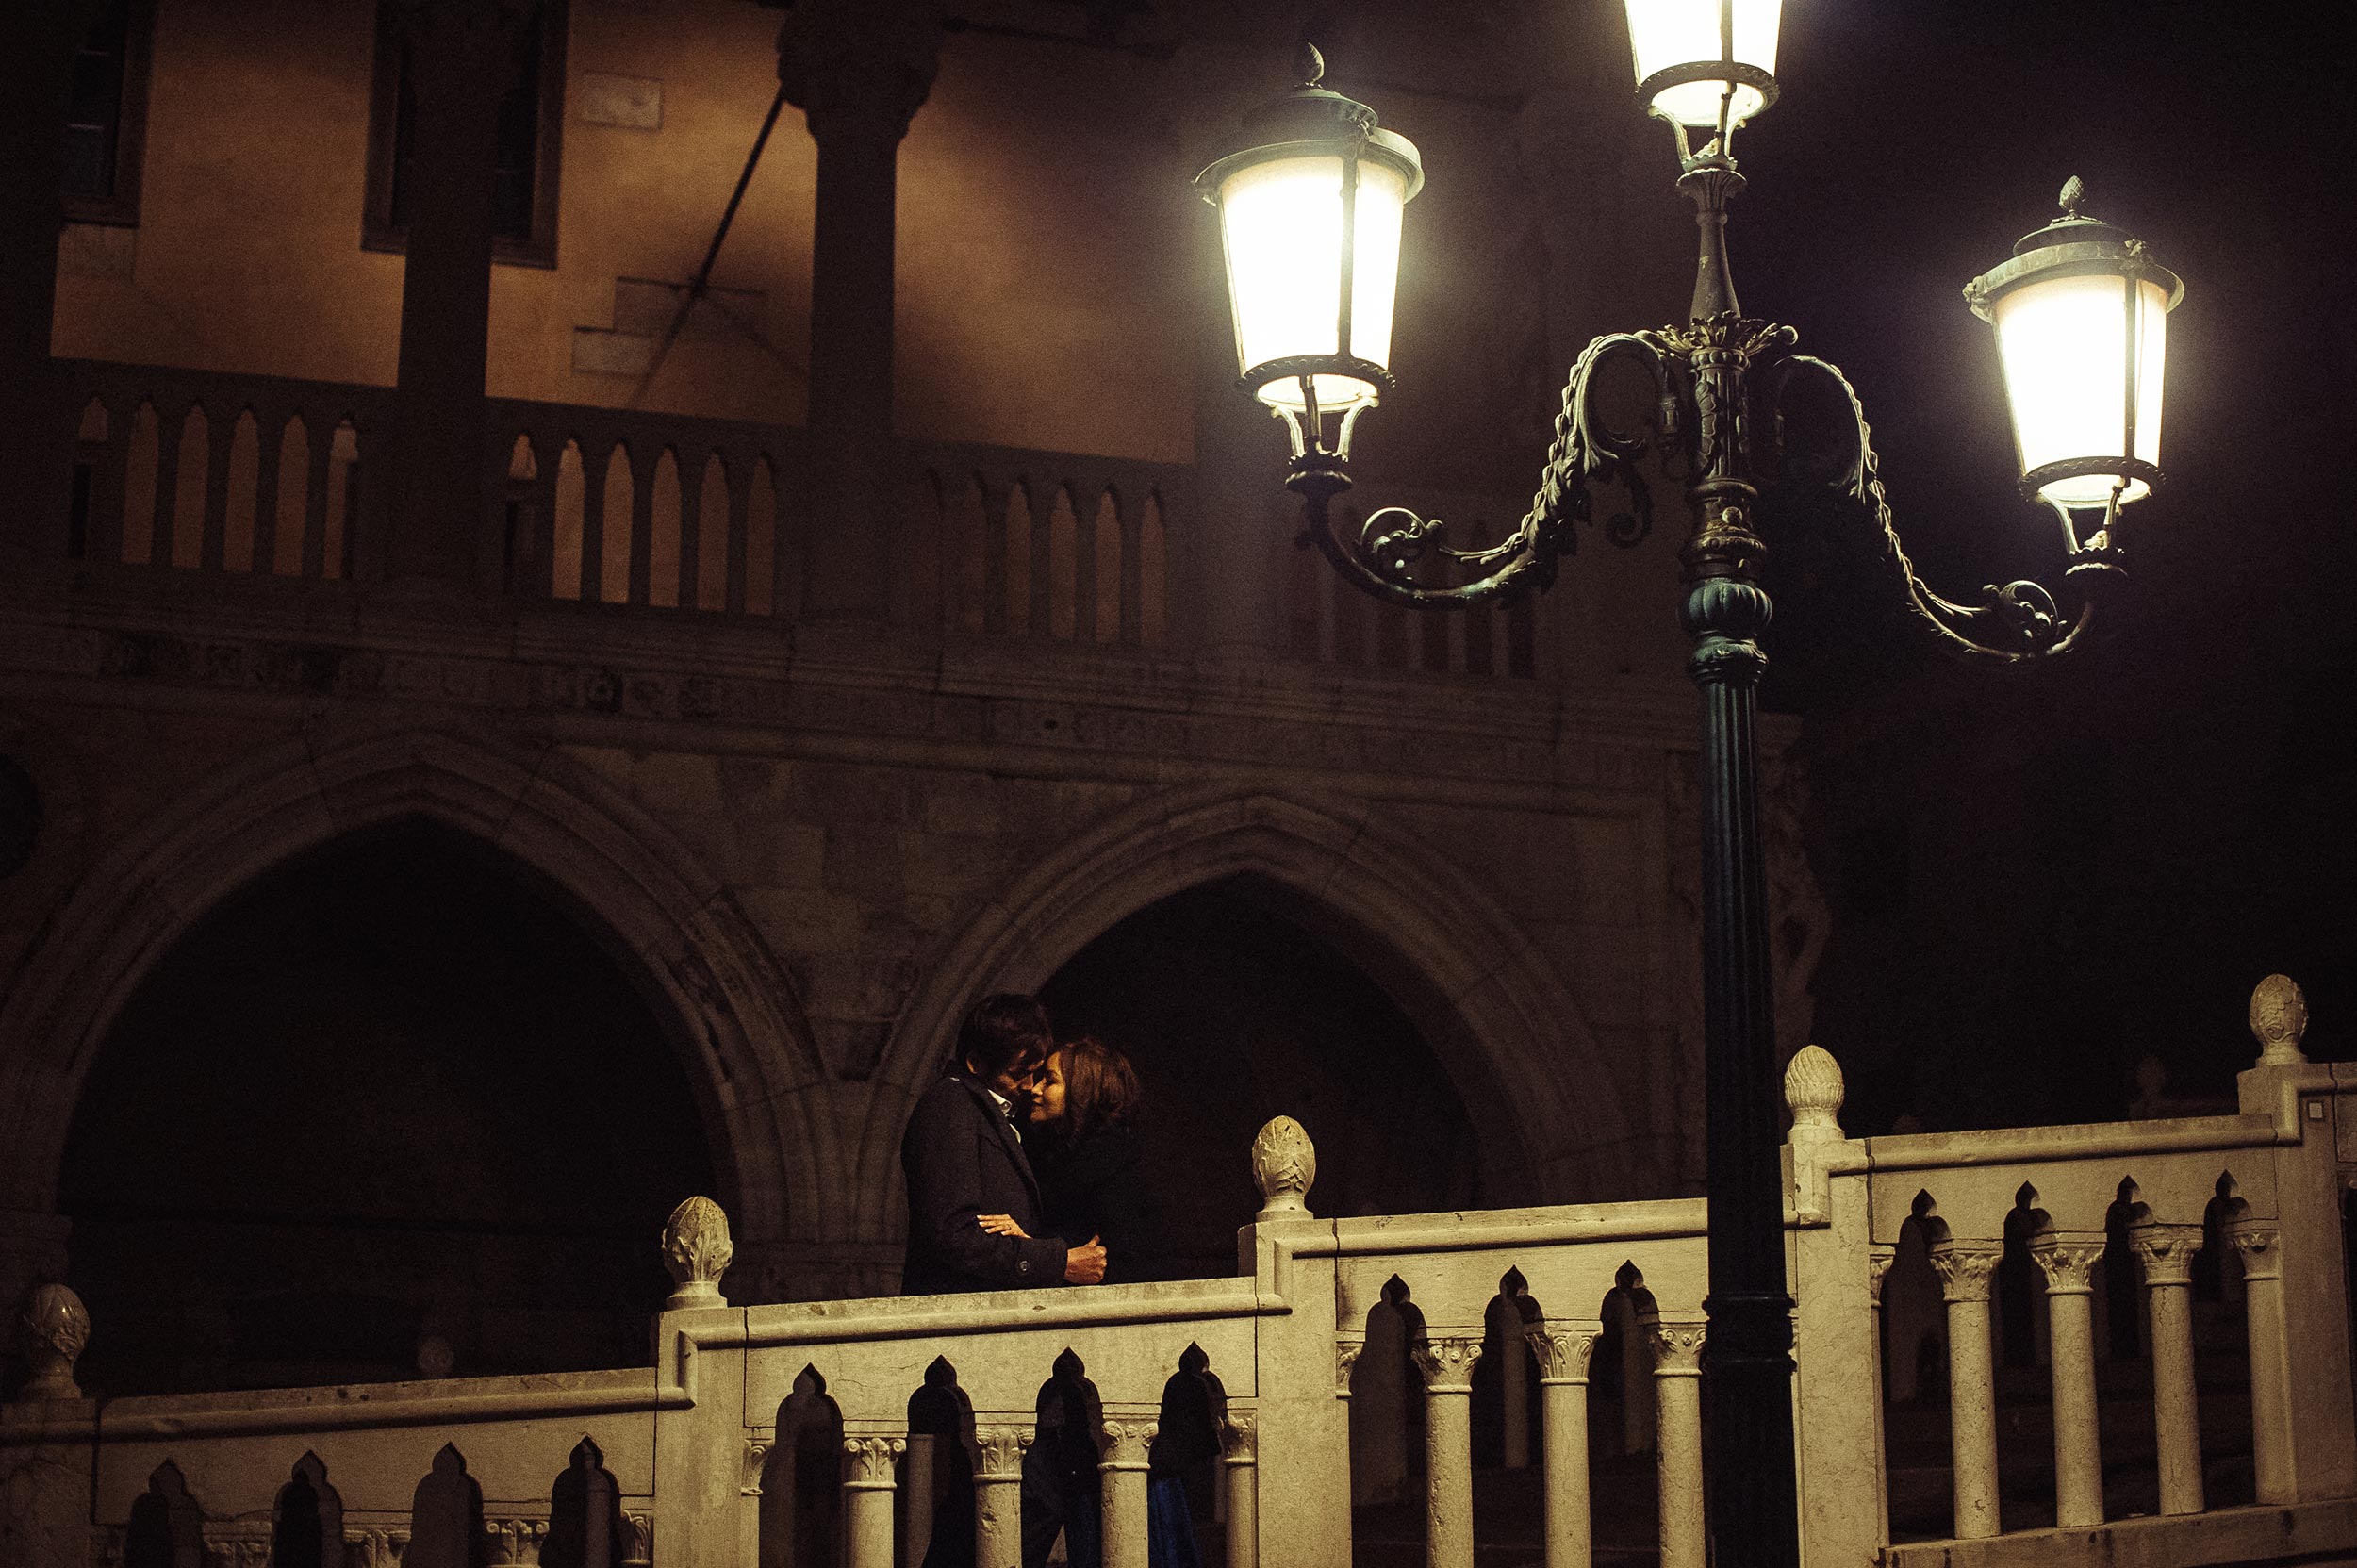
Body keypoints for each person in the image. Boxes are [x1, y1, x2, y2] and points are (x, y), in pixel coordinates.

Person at [900, 995, 1108, 1296]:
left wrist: (1026, 1241)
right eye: (1017, 1073)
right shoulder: (949, 1106)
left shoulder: (988, 1112)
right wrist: (1056, 1262)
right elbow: (952, 1234)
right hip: (961, 1321)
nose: (1028, 1086)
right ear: (976, 1063)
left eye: (1034, 1072)